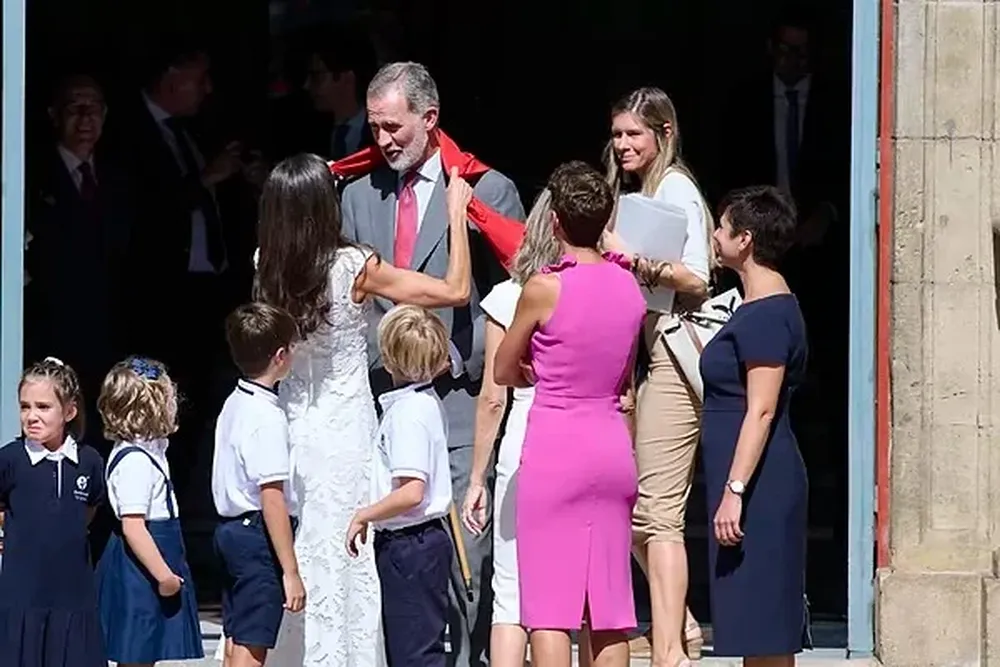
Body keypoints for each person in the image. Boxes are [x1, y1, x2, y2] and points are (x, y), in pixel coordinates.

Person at [255, 153, 475, 667]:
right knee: (347, 549)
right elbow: (455, 290)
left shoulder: (265, 263)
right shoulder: (353, 266)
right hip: (347, 432)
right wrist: (456, 217)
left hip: (293, 425)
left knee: (303, 542)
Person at [340, 61, 525, 667]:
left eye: (394, 126)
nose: (383, 139)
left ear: (430, 118)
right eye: (374, 128)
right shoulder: (358, 193)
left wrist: (461, 361)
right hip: (379, 402)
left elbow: (514, 300)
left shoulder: (484, 189)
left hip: (456, 399)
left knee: (467, 564)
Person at [493, 162, 645, 667]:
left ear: (554, 220)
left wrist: (533, 370)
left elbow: (502, 368)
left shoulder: (545, 287)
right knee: (610, 607)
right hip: (610, 443)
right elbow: (624, 375)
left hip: (557, 445)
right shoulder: (629, 285)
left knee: (550, 607)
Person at [602, 86, 714, 665]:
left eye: (633, 134)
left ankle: (672, 646)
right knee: (636, 508)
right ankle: (681, 626)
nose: (621, 144)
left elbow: (697, 277)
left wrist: (630, 260)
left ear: (663, 133)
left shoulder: (675, 189)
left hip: (674, 352)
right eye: (617, 134)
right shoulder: (647, 189)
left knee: (656, 511)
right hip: (651, 355)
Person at [700, 186, 809, 666]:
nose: (715, 235)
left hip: (759, 485)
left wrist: (735, 490)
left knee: (764, 625)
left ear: (744, 239)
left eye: (722, 228)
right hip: (746, 478)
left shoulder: (767, 313)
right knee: (754, 627)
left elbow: (761, 409)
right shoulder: (754, 306)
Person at [459, 189, 560, 667]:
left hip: (526, 435)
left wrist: (477, 478)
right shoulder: (604, 289)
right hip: (584, 432)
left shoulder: (509, 296)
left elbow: (493, 397)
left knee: (511, 589)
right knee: (570, 589)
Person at [346, 304, 454, 667]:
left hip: (411, 544)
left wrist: (365, 514)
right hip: (412, 543)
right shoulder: (417, 404)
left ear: (389, 359)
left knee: (414, 652)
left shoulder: (410, 413)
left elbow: (412, 491)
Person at [213, 303, 305, 667]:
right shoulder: (267, 417)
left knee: (236, 634)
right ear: (280, 356)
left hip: (230, 532)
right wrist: (291, 571)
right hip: (255, 538)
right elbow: (272, 498)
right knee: (253, 641)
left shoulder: (235, 402)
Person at [94, 357, 203, 665]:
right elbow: (133, 527)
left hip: (151, 562)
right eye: (169, 397)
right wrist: (164, 576)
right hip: (141, 571)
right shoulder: (135, 462)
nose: (174, 403)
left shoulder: (150, 452)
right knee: (137, 652)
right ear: (151, 407)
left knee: (146, 652)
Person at [0, 358, 106, 667]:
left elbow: (90, 507)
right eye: (25, 407)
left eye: (43, 407)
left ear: (69, 411)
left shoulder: (89, 461)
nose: (31, 416)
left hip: (73, 596)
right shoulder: (10, 459)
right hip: (22, 597)